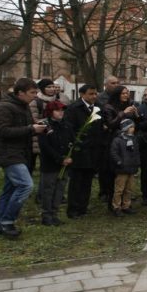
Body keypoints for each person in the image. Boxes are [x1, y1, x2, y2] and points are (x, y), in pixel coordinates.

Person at [0, 78, 47, 238]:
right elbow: (2, 131)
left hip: (21, 153)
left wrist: (38, 125)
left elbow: (26, 125)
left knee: (9, 191)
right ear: (20, 93)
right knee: (25, 186)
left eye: (36, 92)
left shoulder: (23, 106)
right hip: (9, 154)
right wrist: (31, 129)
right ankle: (7, 221)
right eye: (32, 93)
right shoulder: (4, 107)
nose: (35, 96)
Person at [64, 84, 105, 219]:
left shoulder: (97, 108)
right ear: (82, 94)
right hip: (80, 151)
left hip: (94, 151)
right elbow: (70, 130)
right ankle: (73, 209)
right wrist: (79, 143)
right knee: (77, 181)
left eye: (95, 94)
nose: (94, 96)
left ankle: (83, 207)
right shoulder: (74, 109)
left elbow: (99, 127)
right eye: (90, 94)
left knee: (87, 180)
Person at [37, 101, 73, 226]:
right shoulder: (44, 125)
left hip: (64, 163)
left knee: (60, 189)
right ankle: (46, 215)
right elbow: (45, 146)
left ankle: (54, 213)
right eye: (57, 110)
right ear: (50, 112)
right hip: (50, 164)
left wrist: (69, 156)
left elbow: (71, 141)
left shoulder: (67, 125)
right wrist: (59, 158)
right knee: (48, 190)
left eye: (62, 110)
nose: (61, 113)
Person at [109, 118, 140, 216]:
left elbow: (136, 153)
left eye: (133, 126)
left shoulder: (134, 139)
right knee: (119, 189)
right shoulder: (118, 140)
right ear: (126, 128)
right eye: (131, 127)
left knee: (129, 189)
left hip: (131, 168)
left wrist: (137, 163)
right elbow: (113, 153)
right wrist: (119, 162)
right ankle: (116, 207)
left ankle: (126, 205)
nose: (133, 128)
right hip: (122, 168)